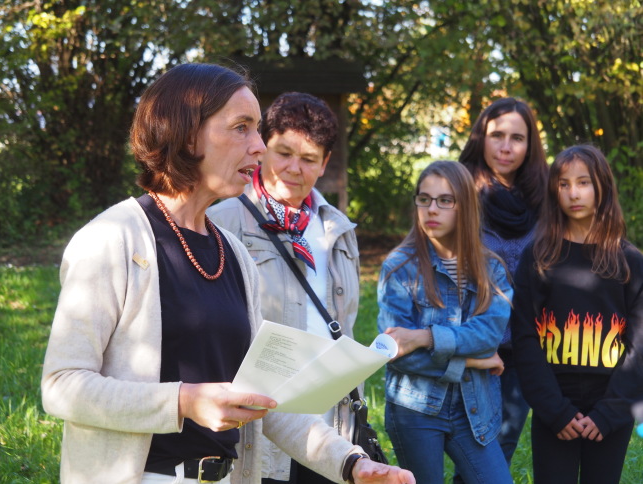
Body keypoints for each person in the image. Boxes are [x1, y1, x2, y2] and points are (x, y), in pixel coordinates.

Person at [40, 62, 415, 484]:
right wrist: (184, 401)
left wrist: (351, 463)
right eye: (242, 127)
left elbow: (270, 400)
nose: (258, 147)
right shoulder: (113, 239)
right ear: (185, 134)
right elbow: (62, 385)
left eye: (257, 129)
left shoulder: (234, 254)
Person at [208, 92, 360, 484]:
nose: (294, 168)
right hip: (259, 422)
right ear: (262, 148)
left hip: (327, 426)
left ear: (325, 163)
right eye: (284, 153)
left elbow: (345, 322)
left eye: (309, 159)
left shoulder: (338, 229)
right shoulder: (223, 219)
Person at [510, 144, 643, 484]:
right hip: (555, 402)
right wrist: (554, 409)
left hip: (611, 404)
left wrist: (611, 412)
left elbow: (639, 346)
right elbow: (524, 336)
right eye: (563, 184)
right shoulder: (537, 257)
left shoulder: (631, 262)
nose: (573, 193)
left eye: (583, 182)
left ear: (602, 186)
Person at [377, 161, 514, 484]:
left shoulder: (490, 269)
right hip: (415, 407)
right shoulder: (399, 268)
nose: (431, 209)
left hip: (474, 408)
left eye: (444, 200)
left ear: (464, 205)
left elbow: (489, 334)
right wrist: (471, 360)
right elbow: (397, 350)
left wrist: (425, 337)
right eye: (424, 199)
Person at [458, 97, 549, 472]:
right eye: (497, 135)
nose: (506, 147)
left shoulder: (545, 197)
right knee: (468, 442)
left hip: (525, 341)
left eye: (517, 137)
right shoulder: (459, 190)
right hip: (469, 338)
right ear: (482, 137)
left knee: (503, 439)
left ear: (530, 145)